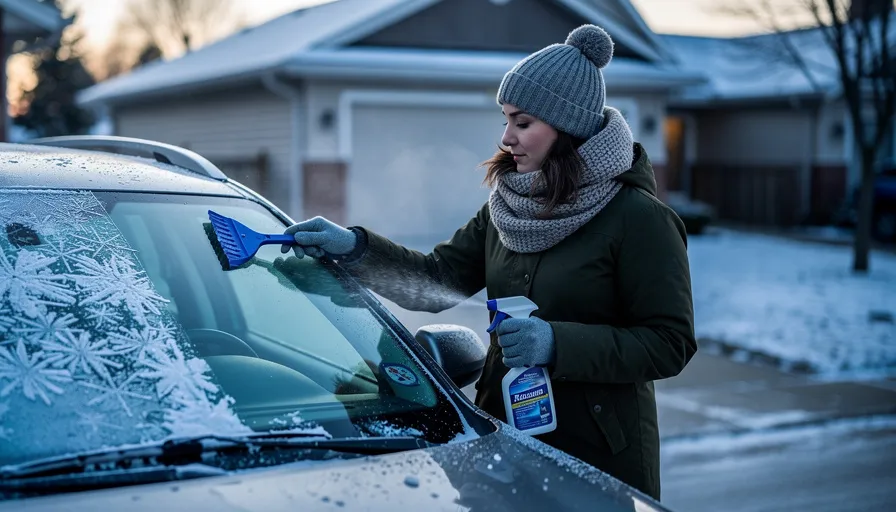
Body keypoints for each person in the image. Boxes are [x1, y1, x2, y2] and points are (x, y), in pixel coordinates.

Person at [280, 24, 696, 500]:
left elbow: (669, 342)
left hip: (598, 457)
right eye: (505, 121)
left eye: (522, 123)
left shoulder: (640, 219)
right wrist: (355, 249)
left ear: (568, 129)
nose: (507, 138)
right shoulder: (506, 208)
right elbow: (439, 279)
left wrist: (558, 342)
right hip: (504, 439)